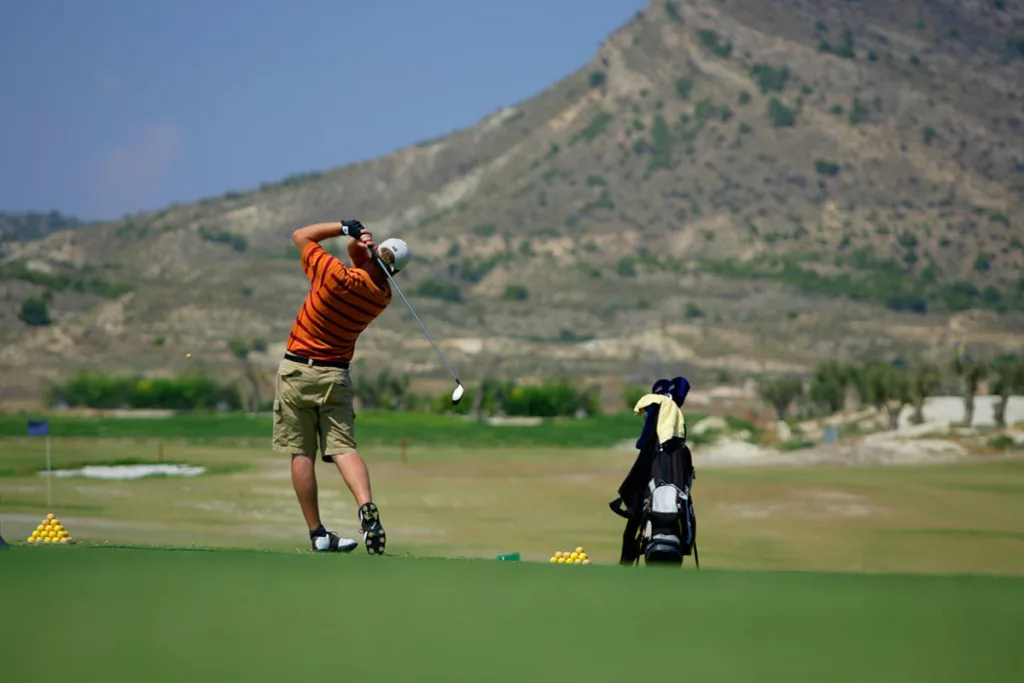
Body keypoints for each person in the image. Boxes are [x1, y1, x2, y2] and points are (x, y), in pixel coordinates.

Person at [272, 218, 411, 555]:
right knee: (343, 449)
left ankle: (318, 534)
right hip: (335, 377)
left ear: (374, 254)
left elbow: (300, 235)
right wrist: (360, 246)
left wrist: (343, 228)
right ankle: (366, 509)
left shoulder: (332, 274)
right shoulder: (382, 295)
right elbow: (363, 267)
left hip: (297, 371)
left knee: (302, 453)